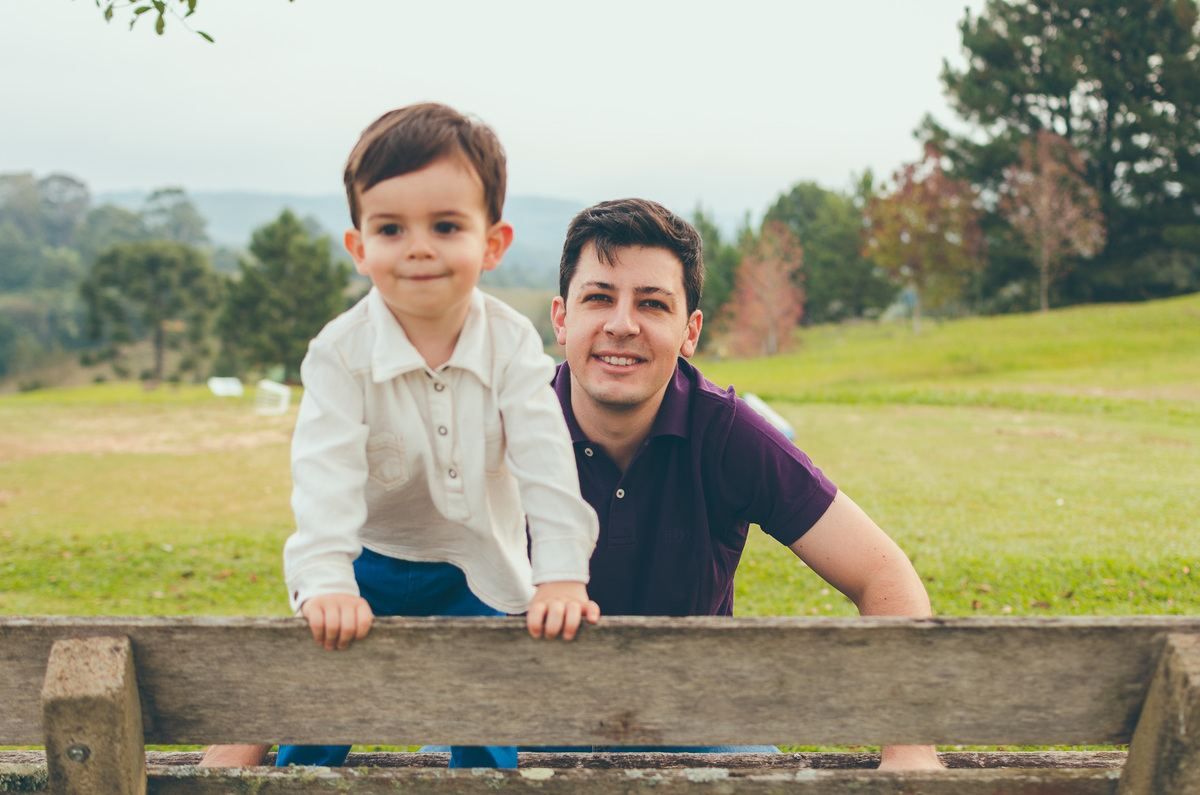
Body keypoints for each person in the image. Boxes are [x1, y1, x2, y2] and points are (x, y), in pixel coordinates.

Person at [202, 198, 942, 771]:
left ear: (690, 332)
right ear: (560, 317)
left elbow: (882, 573)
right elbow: (359, 573)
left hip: (695, 742)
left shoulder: (729, 436)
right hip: (507, 745)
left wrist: (909, 748)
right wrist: (234, 759)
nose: (622, 324)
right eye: (598, 298)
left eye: (652, 303)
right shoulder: (483, 420)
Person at [204, 103, 601, 771]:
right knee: (323, 708)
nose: (419, 246)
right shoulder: (340, 353)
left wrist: (560, 573)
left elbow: (546, 459)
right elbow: (323, 474)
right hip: (369, 560)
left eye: (446, 226)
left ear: (492, 243)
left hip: (477, 566)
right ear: (360, 247)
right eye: (391, 228)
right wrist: (327, 578)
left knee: (482, 717)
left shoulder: (509, 343)